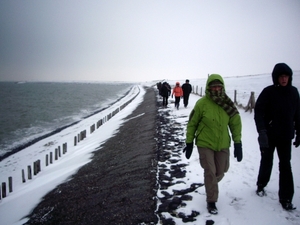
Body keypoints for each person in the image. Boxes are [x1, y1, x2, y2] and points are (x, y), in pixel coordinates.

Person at [183, 74, 242, 215]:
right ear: (208, 87)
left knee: (221, 171)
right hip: (205, 142)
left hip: (222, 144)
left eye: (219, 86)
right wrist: (189, 142)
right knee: (210, 171)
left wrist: (238, 143)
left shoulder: (227, 103)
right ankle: (211, 201)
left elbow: (235, 124)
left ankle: (210, 184)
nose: (216, 89)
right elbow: (192, 124)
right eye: (213, 86)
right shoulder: (202, 104)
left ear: (222, 87)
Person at [254, 63, 300, 211]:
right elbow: (258, 112)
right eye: (281, 76)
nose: (284, 79)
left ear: (290, 77)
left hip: (286, 136)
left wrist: (299, 132)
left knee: (285, 165)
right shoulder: (268, 92)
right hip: (269, 135)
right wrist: (262, 131)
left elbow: (298, 114)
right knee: (267, 161)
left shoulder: (294, 92)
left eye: (286, 76)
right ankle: (261, 185)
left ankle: (286, 198)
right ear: (276, 78)